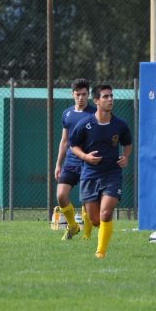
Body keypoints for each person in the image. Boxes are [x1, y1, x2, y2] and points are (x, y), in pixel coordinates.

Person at [69, 84, 132, 259]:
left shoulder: (119, 124)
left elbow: (127, 143)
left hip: (112, 173)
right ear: (96, 101)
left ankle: (100, 252)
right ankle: (92, 231)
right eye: (105, 97)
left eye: (111, 96)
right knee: (95, 219)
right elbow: (73, 145)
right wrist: (85, 157)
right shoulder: (85, 124)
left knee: (106, 214)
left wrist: (125, 157)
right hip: (90, 174)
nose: (110, 99)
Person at [54, 78, 97, 240]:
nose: (81, 97)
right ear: (72, 94)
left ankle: (86, 237)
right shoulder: (67, 113)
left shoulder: (94, 114)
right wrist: (58, 164)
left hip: (88, 162)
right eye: (78, 94)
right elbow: (64, 140)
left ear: (88, 95)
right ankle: (72, 225)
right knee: (61, 195)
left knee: (86, 201)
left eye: (84, 94)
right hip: (70, 162)